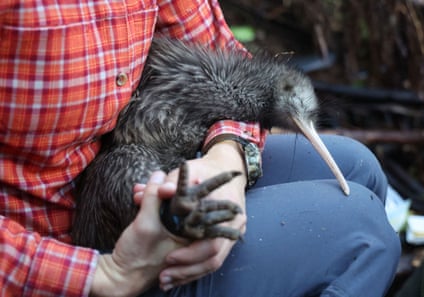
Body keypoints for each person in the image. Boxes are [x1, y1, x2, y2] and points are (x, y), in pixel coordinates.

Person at [0, 0, 400, 296]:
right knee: (363, 233)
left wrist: (227, 158)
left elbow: (228, 59)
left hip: (139, 180)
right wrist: (106, 275)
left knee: (356, 167)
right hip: (63, 251)